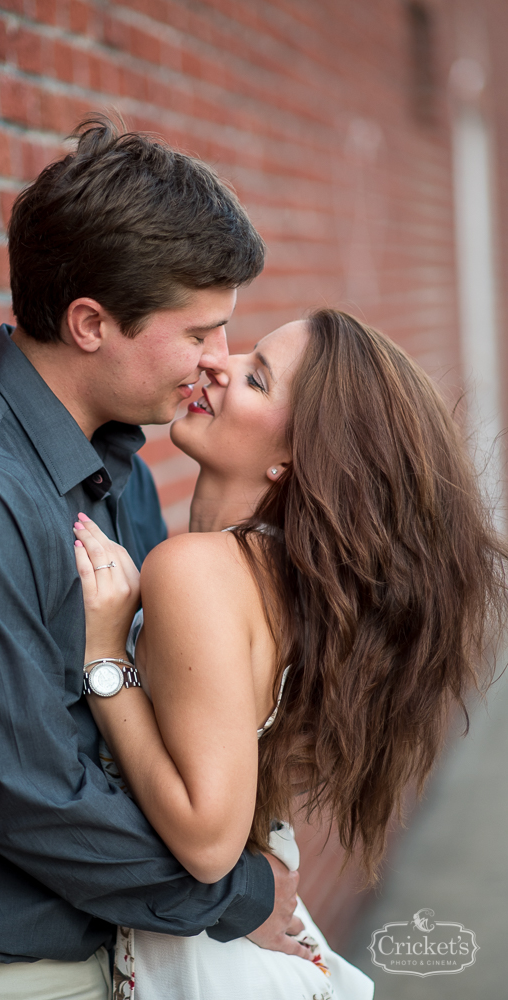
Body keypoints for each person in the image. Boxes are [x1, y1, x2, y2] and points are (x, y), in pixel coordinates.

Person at [0, 119, 305, 1000]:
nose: (218, 362)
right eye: (200, 332)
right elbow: (26, 792)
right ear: (91, 322)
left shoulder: (111, 464)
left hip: (77, 951)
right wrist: (237, 895)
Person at [72, 308, 507, 999]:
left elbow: (209, 843)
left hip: (212, 964)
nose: (217, 365)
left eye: (257, 378)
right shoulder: (281, 583)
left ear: (294, 456)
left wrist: (104, 659)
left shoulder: (197, 569)